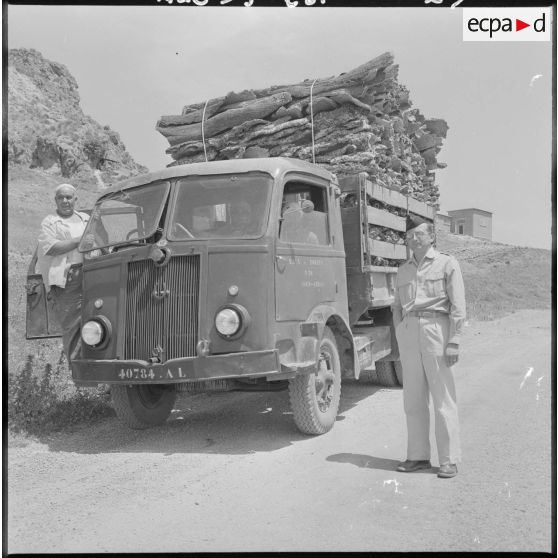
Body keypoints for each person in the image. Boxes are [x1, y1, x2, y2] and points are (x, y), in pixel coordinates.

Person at [392, 215, 466, 479]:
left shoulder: (447, 263)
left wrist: (454, 340)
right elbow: (397, 307)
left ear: (432, 236)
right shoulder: (403, 270)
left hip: (437, 330)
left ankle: (449, 460)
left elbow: (458, 306)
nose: (413, 239)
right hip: (410, 332)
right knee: (413, 398)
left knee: (443, 398)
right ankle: (418, 456)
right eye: (409, 235)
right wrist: (400, 333)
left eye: (419, 234)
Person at [37, 183, 89, 364]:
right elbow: (51, 248)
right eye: (61, 197)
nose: (65, 201)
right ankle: (78, 373)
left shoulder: (85, 219)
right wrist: (79, 241)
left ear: (76, 199)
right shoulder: (50, 222)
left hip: (93, 274)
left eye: (69, 197)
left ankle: (101, 372)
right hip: (67, 279)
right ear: (56, 200)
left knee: (98, 321)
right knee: (73, 326)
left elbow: (99, 239)